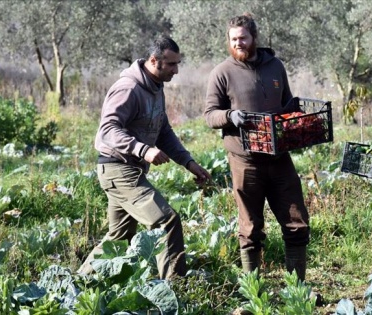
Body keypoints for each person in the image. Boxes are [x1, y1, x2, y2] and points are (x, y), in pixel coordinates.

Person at [78, 36, 211, 280]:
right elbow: (107, 130)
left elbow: (164, 132)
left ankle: (79, 281)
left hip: (130, 170)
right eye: (171, 64)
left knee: (119, 239)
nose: (176, 70)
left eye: (177, 63)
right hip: (118, 169)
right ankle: (176, 288)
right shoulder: (128, 88)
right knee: (165, 220)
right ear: (154, 60)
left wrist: (189, 163)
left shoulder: (156, 88)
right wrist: (142, 149)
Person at [203, 14, 310, 282]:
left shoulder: (275, 67)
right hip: (245, 160)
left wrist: (297, 118)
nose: (238, 43)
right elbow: (209, 115)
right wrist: (229, 116)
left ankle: (296, 290)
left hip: (279, 156)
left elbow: (287, 104)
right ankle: (254, 291)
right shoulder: (222, 72)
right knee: (250, 228)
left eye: (243, 38)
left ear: (254, 38)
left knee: (297, 222)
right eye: (233, 39)